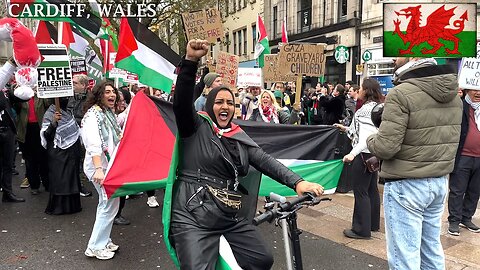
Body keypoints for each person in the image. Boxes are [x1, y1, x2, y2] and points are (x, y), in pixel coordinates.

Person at [170, 39, 324, 270]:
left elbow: (265, 161)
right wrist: (191, 61)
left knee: (261, 259)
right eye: (219, 102)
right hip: (192, 215)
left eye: (230, 103)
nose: (225, 107)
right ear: (210, 105)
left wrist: (298, 183)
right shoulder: (194, 127)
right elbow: (181, 102)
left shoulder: (238, 135)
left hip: (227, 212)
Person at [366, 57, 462, 270]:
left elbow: (385, 147)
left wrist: (369, 139)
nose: (393, 57)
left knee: (404, 258)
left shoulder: (401, 93)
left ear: (414, 57)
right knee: (432, 252)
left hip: (406, 184)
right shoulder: (454, 95)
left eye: (398, 51)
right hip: (438, 182)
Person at [333, 78, 382, 239]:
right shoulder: (378, 108)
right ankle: (373, 224)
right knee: (371, 190)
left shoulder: (365, 111)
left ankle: (361, 229)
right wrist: (346, 128)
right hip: (374, 155)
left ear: (366, 90)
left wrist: (352, 154)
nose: (358, 90)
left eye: (360, 88)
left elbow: (364, 138)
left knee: (361, 192)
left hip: (362, 155)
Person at [81, 81, 122, 260]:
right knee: (108, 205)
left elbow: (118, 133)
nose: (111, 94)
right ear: (99, 95)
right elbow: (93, 145)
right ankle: (95, 246)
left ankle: (103, 240)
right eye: (107, 92)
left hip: (108, 167)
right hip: (99, 169)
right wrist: (99, 169)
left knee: (109, 204)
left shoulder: (107, 113)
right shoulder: (93, 116)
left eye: (113, 91)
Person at [41, 97, 82, 215]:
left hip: (71, 151)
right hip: (57, 151)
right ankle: (58, 207)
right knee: (60, 179)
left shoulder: (68, 112)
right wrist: (53, 122)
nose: (66, 99)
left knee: (71, 178)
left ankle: (73, 206)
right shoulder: (50, 113)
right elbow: (46, 135)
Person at [447, 88, 480, 236]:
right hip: (463, 156)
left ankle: (466, 217)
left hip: (479, 158)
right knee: (457, 190)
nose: (478, 92)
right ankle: (454, 220)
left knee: (475, 191)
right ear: (467, 89)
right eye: (475, 89)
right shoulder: (459, 106)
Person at [0, 58, 26, 202]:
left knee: (8, 163)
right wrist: (11, 62)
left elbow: (16, 98)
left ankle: (7, 192)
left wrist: (26, 91)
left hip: (7, 130)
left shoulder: (4, 91)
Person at [67, 74, 93, 197]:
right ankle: (72, 183)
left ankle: (80, 184)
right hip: (70, 131)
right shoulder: (68, 96)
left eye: (75, 83)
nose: (72, 85)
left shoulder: (91, 99)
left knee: (81, 158)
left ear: (83, 85)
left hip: (83, 132)